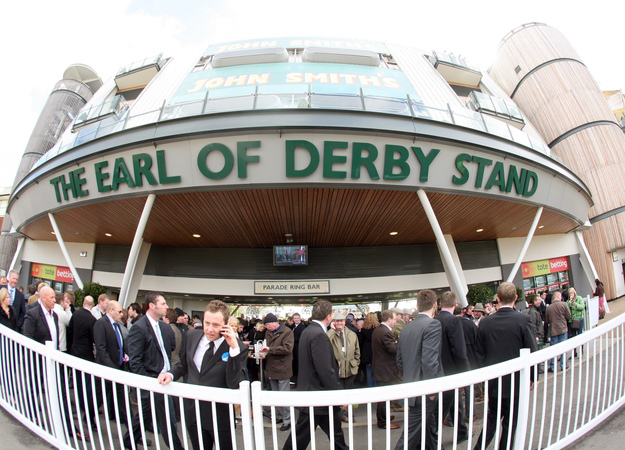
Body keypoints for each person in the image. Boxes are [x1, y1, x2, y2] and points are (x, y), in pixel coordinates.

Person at [159, 300, 248, 450]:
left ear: (226, 325)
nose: (210, 329)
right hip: (193, 412)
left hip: (219, 415)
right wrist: (171, 374)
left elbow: (233, 382)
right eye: (207, 323)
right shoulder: (192, 336)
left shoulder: (237, 348)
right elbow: (183, 364)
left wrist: (233, 350)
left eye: (216, 325)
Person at [473, 282, 537, 450]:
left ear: (498, 299)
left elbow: (479, 354)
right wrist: (532, 377)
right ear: (516, 298)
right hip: (517, 381)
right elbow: (532, 350)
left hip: (494, 382)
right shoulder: (523, 320)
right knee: (510, 423)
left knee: (492, 419)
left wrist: (484, 378)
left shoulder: (485, 323)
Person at [282, 300, 348, 450]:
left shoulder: (308, 331)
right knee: (303, 437)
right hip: (319, 396)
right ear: (328, 316)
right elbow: (325, 370)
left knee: (334, 433)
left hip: (313, 394)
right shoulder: (319, 334)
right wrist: (338, 395)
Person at [123, 292, 182, 450]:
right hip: (152, 381)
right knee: (167, 420)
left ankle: (129, 441)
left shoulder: (164, 327)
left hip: (164, 378)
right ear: (151, 306)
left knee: (144, 415)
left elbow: (170, 348)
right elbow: (135, 361)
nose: (166, 306)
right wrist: (147, 384)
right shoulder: (139, 328)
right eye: (162, 303)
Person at [394, 290, 443, 450]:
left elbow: (400, 361)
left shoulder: (407, 328)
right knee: (410, 435)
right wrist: (432, 390)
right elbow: (429, 361)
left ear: (417, 305)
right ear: (435, 305)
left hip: (412, 386)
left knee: (429, 428)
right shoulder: (433, 324)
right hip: (425, 389)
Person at [436, 291, 470, 441]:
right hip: (453, 371)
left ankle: (462, 432)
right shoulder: (454, 321)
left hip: (439, 369)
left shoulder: (434, 320)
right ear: (455, 305)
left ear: (440, 304)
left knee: (453, 404)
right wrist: (466, 373)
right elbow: (459, 350)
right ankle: (432, 436)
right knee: (449, 406)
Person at [94, 300, 129, 424]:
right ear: (111, 311)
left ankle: (130, 430)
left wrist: (125, 355)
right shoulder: (101, 324)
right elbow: (101, 349)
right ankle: (89, 417)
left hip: (118, 369)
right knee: (99, 398)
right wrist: (111, 368)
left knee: (122, 400)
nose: (122, 314)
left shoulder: (117, 325)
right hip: (107, 370)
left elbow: (120, 345)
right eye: (119, 312)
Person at [260, 313, 294, 431]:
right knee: (275, 395)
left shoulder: (287, 332)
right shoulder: (268, 332)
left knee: (283, 396)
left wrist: (270, 350)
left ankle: (287, 420)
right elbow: (266, 346)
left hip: (283, 367)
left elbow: (287, 348)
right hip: (271, 367)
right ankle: (280, 416)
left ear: (275, 323)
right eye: (266, 325)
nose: (267, 327)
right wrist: (264, 353)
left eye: (268, 325)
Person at [67, 295, 98, 425]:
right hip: (86, 354)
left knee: (77, 380)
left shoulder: (76, 314)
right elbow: (94, 338)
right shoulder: (92, 319)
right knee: (86, 382)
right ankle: (84, 404)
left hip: (74, 350)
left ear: (84, 303)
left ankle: (79, 402)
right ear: (93, 305)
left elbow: (70, 331)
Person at [327, 312, 360, 423]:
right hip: (338, 370)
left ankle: (347, 412)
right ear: (333, 322)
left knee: (348, 393)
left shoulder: (352, 334)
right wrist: (332, 330)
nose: (339, 323)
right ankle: (340, 414)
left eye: (341, 321)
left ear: (345, 322)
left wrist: (356, 363)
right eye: (337, 321)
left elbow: (357, 351)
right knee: (339, 394)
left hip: (350, 369)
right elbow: (325, 342)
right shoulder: (330, 334)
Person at [372, 309, 401, 429]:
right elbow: (393, 349)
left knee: (382, 397)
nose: (395, 322)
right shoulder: (385, 332)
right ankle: (383, 422)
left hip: (380, 369)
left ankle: (383, 418)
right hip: (385, 370)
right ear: (389, 319)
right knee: (384, 398)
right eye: (394, 319)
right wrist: (399, 342)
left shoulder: (378, 330)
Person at [545, 290, 571, 372]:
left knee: (554, 349)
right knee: (564, 348)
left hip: (553, 331)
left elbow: (547, 320)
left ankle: (552, 366)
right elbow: (569, 316)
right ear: (558, 297)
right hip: (563, 329)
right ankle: (563, 365)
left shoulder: (549, 308)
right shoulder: (564, 304)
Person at [360, 312, 378, 388]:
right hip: (375, 351)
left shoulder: (363, 330)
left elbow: (360, 342)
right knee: (376, 371)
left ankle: (370, 387)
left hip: (366, 352)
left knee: (368, 371)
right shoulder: (377, 329)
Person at [290, 312, 306, 383]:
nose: (296, 319)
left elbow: (302, 338)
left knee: (298, 362)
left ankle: (298, 379)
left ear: (300, 319)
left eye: (297, 318)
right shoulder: (292, 326)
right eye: (295, 318)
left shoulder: (302, 327)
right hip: (292, 347)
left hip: (298, 347)